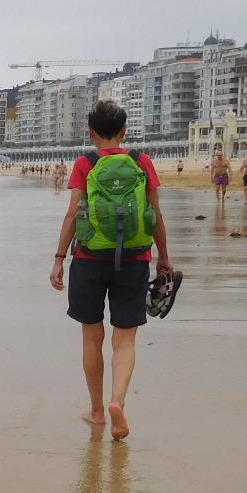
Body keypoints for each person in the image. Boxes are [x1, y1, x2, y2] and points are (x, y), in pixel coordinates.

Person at [50, 100, 172, 442]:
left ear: (91, 132)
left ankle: (97, 411)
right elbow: (155, 214)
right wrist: (163, 257)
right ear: (124, 131)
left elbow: (72, 214)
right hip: (134, 259)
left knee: (92, 337)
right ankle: (117, 400)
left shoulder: (85, 163)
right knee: (125, 338)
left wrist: (59, 259)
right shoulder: (141, 161)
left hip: (89, 259)